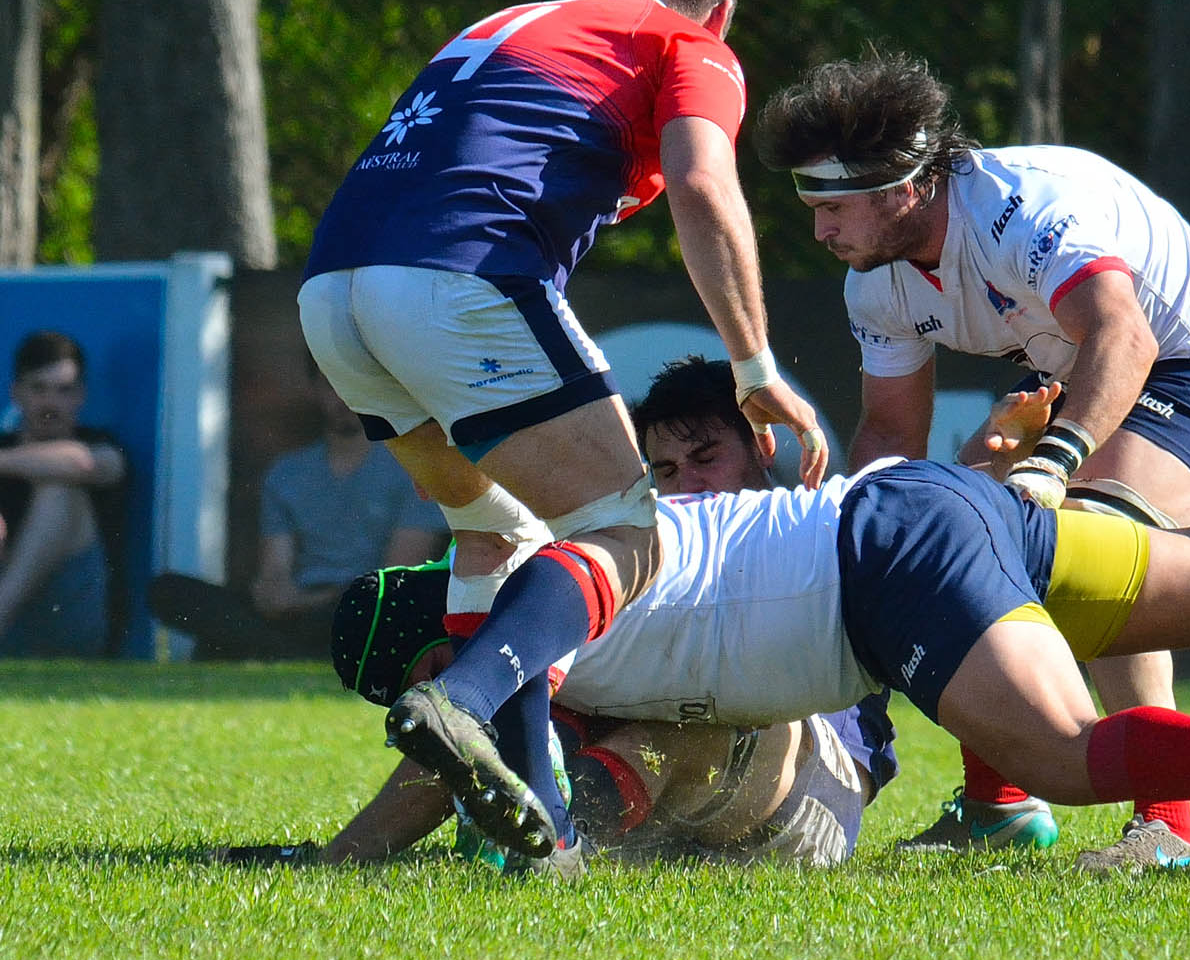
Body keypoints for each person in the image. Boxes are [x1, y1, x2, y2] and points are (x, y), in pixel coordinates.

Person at [376, 310, 1190, 889]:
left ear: (435, 651)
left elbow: (499, 698)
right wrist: (323, 858)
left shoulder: (540, 587)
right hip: (927, 522)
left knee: (1068, 757)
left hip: (882, 567)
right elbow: (464, 776)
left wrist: (470, 696)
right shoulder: (554, 593)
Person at [298, 0, 828, 868]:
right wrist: (754, 367)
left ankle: (529, 833)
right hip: (459, 278)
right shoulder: (686, 40)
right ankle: (460, 701)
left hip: (332, 295)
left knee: (494, 533)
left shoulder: (512, 21)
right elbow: (705, 187)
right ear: (722, 13)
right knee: (629, 529)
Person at [754, 49, 1190, 870]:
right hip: (1075, 370)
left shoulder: (1018, 210)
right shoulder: (875, 281)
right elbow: (892, 439)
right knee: (953, 530)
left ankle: (1172, 825)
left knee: (1090, 533)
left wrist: (1061, 456)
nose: (819, 229)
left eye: (834, 204)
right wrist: (846, 548)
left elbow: (1126, 334)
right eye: (809, 203)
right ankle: (999, 805)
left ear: (905, 185)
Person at [223, 359, 897, 877]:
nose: (687, 482)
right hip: (703, 792)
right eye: (664, 468)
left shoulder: (813, 549)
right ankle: (527, 830)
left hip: (813, 796)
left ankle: (552, 841)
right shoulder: (640, 553)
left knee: (680, 713)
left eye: (706, 457)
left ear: (763, 447)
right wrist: (345, 853)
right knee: (535, 699)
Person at [148, 359, 443, 658]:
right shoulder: (287, 473)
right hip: (296, 610)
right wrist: (274, 594)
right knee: (168, 591)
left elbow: (395, 575)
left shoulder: (410, 469)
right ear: (315, 389)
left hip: (363, 606)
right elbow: (275, 567)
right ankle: (292, 651)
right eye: (331, 384)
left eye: (353, 384)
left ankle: (267, 649)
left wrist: (306, 601)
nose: (342, 397)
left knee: (385, 607)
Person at [0, 331, 126, 657]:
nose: (50, 403)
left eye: (63, 390)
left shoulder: (100, 443)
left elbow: (84, 464)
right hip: (14, 626)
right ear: (17, 393)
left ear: (81, 396)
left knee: (58, 488)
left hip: (69, 621)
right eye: (38, 389)